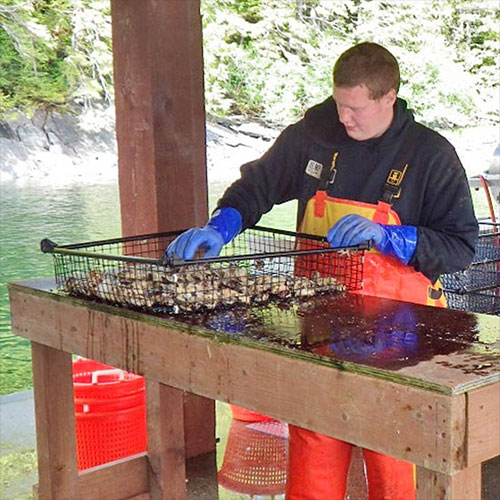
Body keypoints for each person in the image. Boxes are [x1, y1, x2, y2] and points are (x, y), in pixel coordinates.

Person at [167, 42, 478, 499]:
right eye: (339, 105)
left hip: (404, 342)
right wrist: (222, 224)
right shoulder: (313, 136)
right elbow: (258, 184)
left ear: (388, 97)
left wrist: (392, 237)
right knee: (314, 455)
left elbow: (461, 246)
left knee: (396, 466)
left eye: (355, 108)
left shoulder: (430, 155)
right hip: (319, 332)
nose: (345, 118)